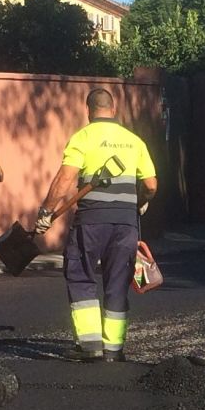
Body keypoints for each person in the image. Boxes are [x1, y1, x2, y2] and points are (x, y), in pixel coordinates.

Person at [31, 87, 159, 362]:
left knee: (80, 274)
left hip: (92, 222)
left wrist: (46, 212)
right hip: (126, 224)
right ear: (113, 110)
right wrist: (141, 201)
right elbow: (150, 184)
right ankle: (114, 349)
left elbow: (65, 180)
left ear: (88, 111)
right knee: (117, 282)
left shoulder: (83, 137)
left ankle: (90, 346)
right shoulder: (133, 141)